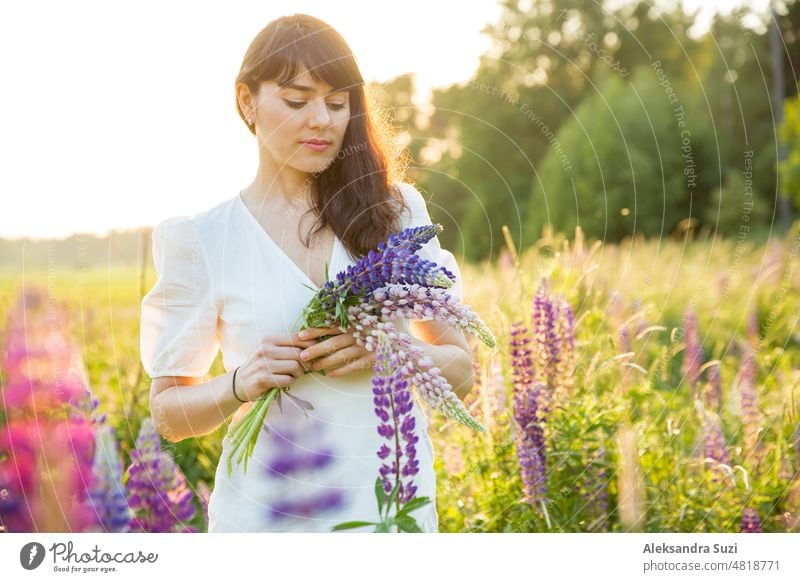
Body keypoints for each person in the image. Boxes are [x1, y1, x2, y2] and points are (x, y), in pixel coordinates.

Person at [139, 13, 474, 533]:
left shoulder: (396, 212)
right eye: (297, 100)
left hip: (388, 513)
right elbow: (169, 415)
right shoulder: (202, 239)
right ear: (247, 101)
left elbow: (462, 370)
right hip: (265, 520)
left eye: (337, 103)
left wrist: (393, 350)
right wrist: (241, 382)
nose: (322, 119)